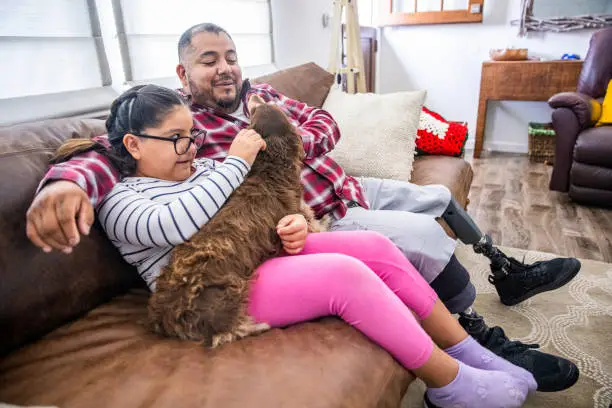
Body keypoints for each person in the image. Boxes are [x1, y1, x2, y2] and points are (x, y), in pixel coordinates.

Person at [25, 23, 579, 392]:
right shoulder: (179, 129)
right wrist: (65, 182)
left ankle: (505, 271)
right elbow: (104, 152)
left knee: (434, 197)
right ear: (183, 74)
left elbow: (326, 125)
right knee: (425, 239)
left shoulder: (251, 102)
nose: (224, 69)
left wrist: (285, 143)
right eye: (208, 60)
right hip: (309, 214)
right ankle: (476, 335)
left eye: (232, 57)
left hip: (339, 185)